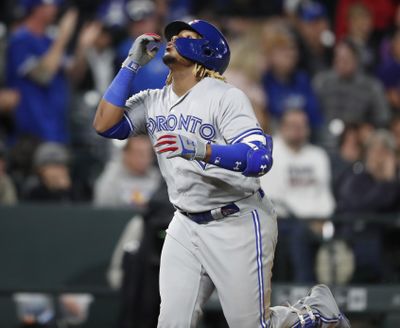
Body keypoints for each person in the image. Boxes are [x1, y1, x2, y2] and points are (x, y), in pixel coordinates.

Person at [93, 19, 349, 327]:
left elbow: (259, 158)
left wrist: (200, 148)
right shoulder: (154, 100)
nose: (172, 39)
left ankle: (314, 312)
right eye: (173, 35)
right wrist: (130, 64)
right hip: (185, 223)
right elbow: (105, 125)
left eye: (185, 36)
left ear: (206, 49)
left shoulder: (225, 97)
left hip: (236, 218)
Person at [6, 0, 99, 143]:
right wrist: (63, 36)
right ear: (36, 7)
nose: (56, 9)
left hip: (58, 128)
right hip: (31, 132)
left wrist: (82, 46)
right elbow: (43, 75)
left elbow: (74, 77)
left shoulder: (51, 40)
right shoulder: (20, 40)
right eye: (51, 5)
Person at [259, 109, 335, 283]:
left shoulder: (318, 155)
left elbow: (325, 194)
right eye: (293, 125)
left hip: (318, 221)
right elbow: (272, 197)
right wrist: (306, 220)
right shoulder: (270, 152)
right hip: (283, 220)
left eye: (302, 125)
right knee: (298, 235)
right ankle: (303, 291)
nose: (298, 130)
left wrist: (322, 218)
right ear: (282, 127)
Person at [313, 40, 390, 150]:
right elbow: (311, 112)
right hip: (322, 139)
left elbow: (383, 118)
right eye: (338, 58)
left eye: (346, 59)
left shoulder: (371, 86)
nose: (341, 63)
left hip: (357, 142)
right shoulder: (321, 82)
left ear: (357, 60)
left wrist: (368, 127)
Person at [94, 135, 161, 208]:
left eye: (147, 153)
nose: (144, 159)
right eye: (139, 153)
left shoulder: (157, 178)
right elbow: (104, 209)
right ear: (126, 153)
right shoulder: (111, 179)